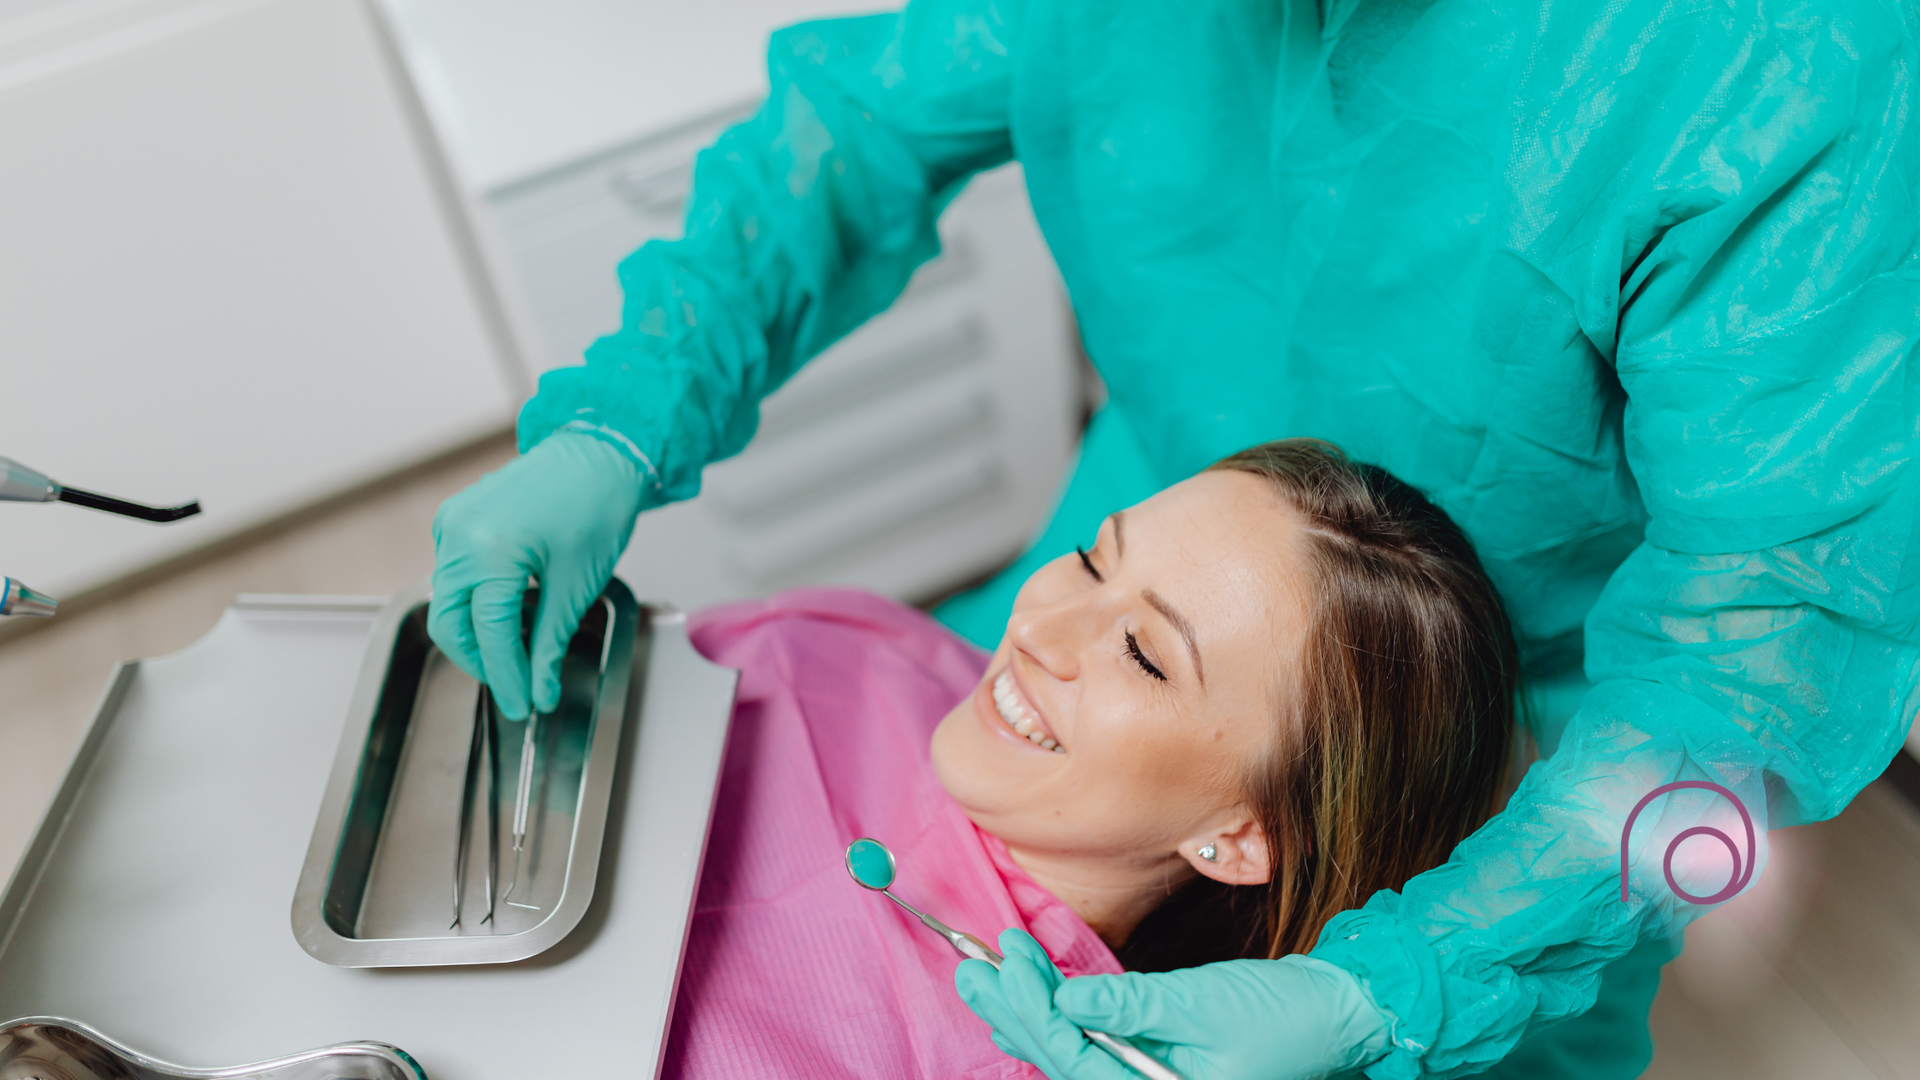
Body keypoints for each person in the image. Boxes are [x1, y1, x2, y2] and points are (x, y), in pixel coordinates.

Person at [426, 1, 1920, 1077]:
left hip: (1529, 742)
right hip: (1164, 511)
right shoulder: (959, 636)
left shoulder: (1785, 64)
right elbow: (863, 123)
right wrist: (614, 423)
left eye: (1118, 625)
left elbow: (1768, 657)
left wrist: (1417, 983)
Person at [666, 441, 1517, 1078]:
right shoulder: (847, 644)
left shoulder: (1043, 1055)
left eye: (1144, 655)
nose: (1035, 625)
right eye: (1090, 560)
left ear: (1243, 835)